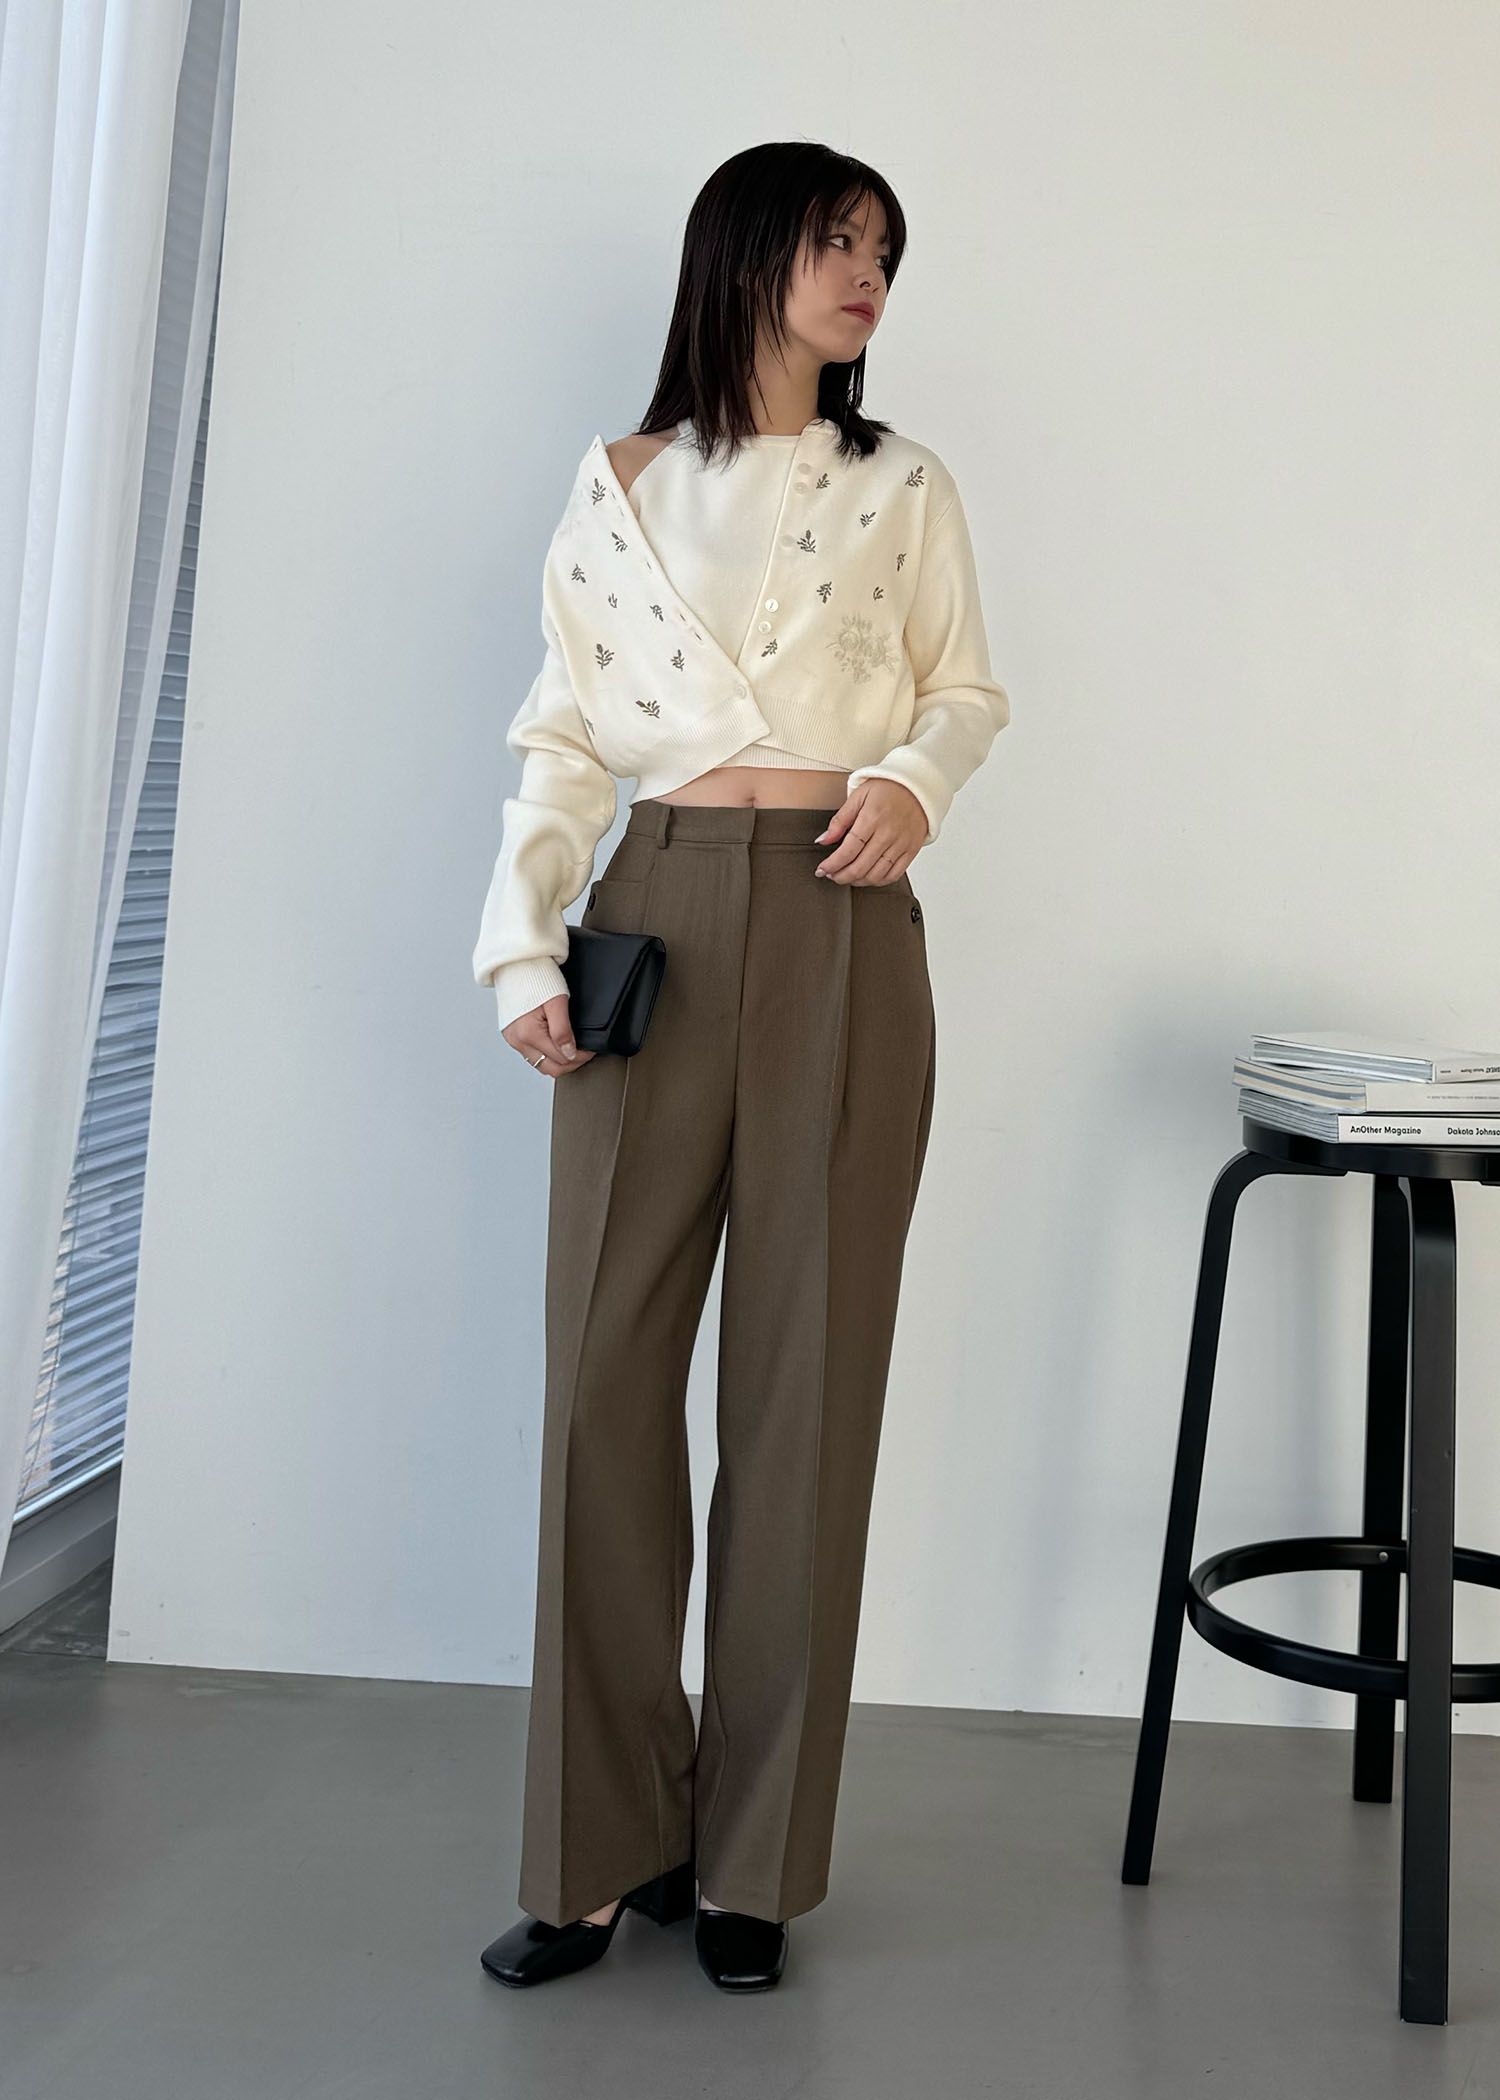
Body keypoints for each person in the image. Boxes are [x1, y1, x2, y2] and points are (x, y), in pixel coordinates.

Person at [471, 141, 1010, 1993]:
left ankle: (755, 1866)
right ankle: (596, 1849)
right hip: (657, 916)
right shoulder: (624, 482)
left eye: (886, 252)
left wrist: (914, 782)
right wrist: (520, 946)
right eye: (835, 241)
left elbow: (966, 687)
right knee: (601, 1391)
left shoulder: (905, 484)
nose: (868, 275)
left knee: (806, 1390)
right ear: (745, 253)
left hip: (846, 926)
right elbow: (562, 736)